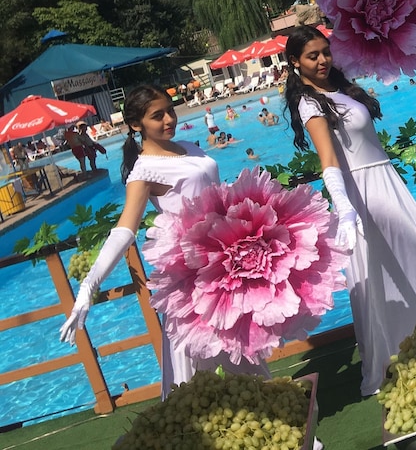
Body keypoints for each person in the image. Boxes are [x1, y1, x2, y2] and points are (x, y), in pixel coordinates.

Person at [283, 26, 416, 396]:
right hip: (362, 193)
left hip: (384, 181)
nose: (322, 60)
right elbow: (328, 160)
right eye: (312, 56)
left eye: (325, 52)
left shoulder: (337, 89)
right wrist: (345, 208)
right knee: (392, 269)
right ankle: (400, 353)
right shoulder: (311, 104)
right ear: (295, 62)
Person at [58, 86, 271, 398]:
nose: (169, 119)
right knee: (190, 374)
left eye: (170, 111)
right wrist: (89, 286)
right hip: (192, 274)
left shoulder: (187, 146)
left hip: (229, 263)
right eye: (158, 116)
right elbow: (124, 230)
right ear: (136, 124)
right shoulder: (145, 170)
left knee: (244, 353)